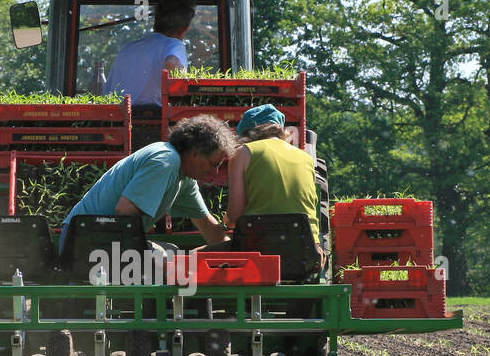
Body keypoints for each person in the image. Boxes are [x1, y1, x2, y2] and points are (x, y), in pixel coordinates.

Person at [58, 115, 236, 263]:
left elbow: (206, 225)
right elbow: (125, 210)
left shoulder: (185, 179)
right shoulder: (165, 160)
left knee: (171, 255)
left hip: (102, 239)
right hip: (85, 240)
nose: (215, 172)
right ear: (195, 152)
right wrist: (148, 256)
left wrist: (235, 253)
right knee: (171, 260)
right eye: (214, 164)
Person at [222, 104, 325, 274]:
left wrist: (225, 222)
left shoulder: (242, 153)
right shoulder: (306, 158)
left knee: (192, 257)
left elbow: (235, 217)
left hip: (257, 254)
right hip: (305, 255)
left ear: (246, 134)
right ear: (280, 130)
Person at [105, 0, 196, 110]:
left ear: (155, 23)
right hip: (154, 122)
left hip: (118, 120)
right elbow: (171, 62)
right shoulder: (173, 44)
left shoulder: (127, 49)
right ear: (185, 28)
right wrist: (186, 96)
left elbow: (107, 94)